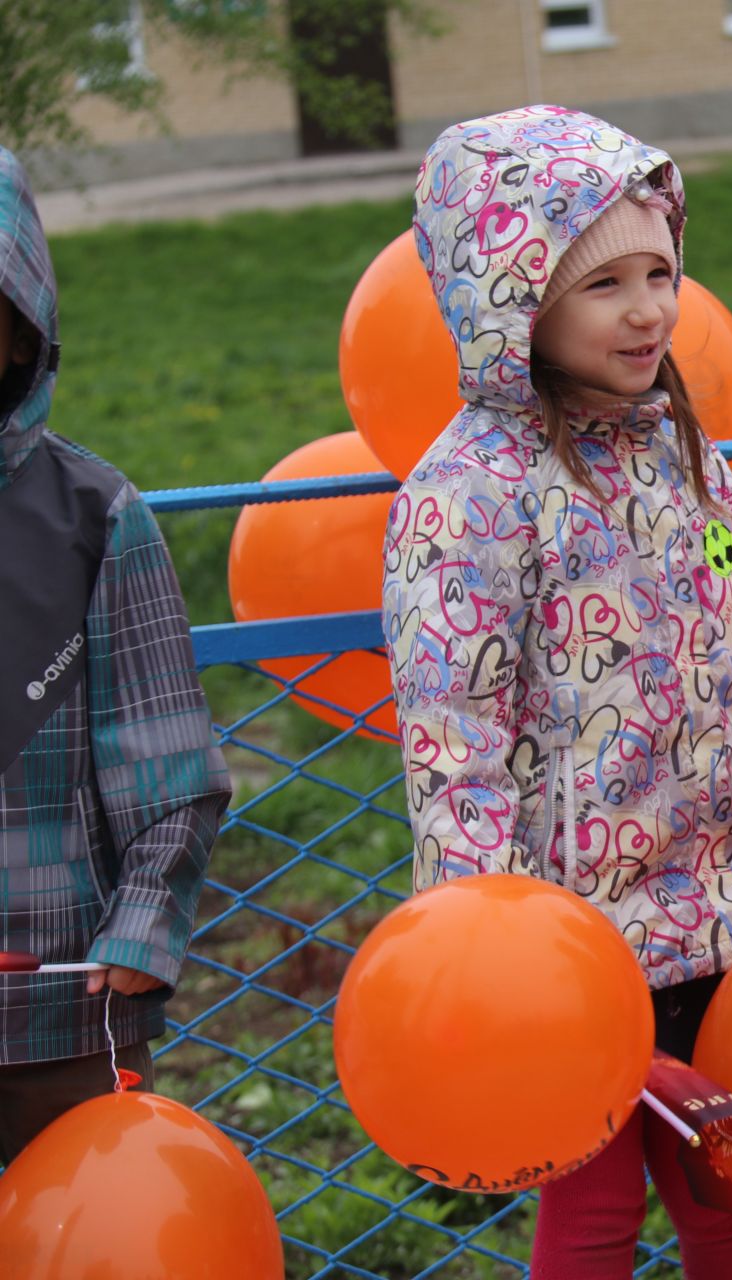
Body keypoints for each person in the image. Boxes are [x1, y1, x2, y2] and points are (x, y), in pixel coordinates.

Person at [383, 106, 732, 1279]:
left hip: (714, 912)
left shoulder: (682, 449)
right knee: (593, 1205)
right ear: (515, 305)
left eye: (661, 271)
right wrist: (478, 945)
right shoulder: (467, 493)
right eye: (602, 284)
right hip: (564, 946)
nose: (649, 309)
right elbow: (453, 738)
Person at [0, 145, 230, 1161]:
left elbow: (171, 766)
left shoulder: (96, 517)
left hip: (67, 1016)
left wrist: (142, 926)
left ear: (18, 325)